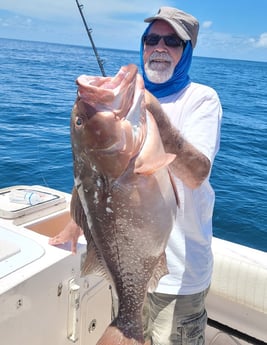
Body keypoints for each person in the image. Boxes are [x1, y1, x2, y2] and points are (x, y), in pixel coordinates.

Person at [49, 6, 222, 345]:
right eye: (152, 39)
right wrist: (75, 224)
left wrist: (155, 115)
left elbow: (198, 173)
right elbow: (92, 179)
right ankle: (125, 322)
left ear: (187, 51)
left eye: (172, 41)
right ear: (143, 45)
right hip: (125, 269)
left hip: (179, 278)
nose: (159, 47)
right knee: (129, 326)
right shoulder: (130, 106)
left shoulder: (201, 99)